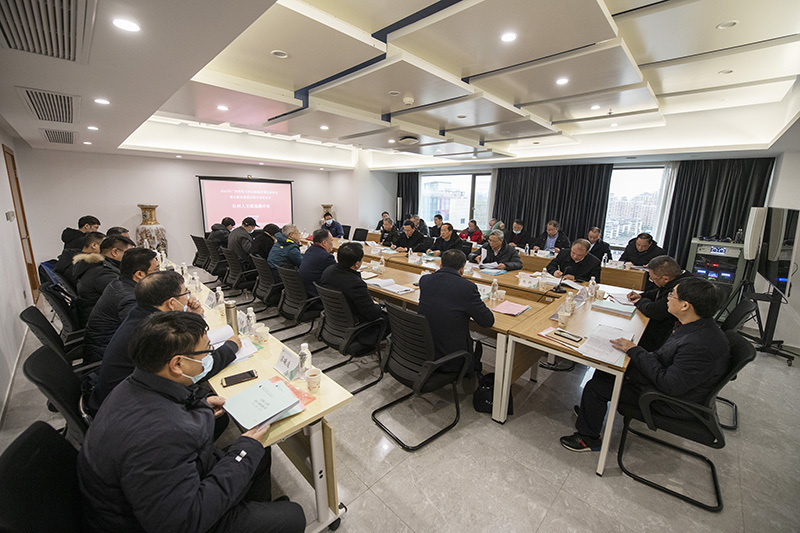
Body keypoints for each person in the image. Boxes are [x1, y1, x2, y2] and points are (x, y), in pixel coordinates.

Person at [78, 312, 305, 532]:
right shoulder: (161, 436)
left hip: (160, 498)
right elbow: (184, 522)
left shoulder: (135, 383)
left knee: (258, 453)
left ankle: (251, 511)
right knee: (292, 516)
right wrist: (242, 452)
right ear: (177, 364)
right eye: (206, 352)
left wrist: (201, 406)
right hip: (162, 522)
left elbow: (169, 409)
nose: (208, 358)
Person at [561, 277, 730, 452]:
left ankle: (589, 438)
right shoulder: (697, 327)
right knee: (606, 368)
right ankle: (591, 414)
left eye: (672, 295)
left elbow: (669, 384)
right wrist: (636, 352)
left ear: (685, 305)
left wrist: (635, 351)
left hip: (668, 400)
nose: (667, 298)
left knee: (595, 387)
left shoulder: (700, 345)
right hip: (667, 381)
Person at [86, 271, 240, 417]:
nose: (189, 297)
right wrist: (230, 347)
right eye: (185, 292)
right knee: (217, 417)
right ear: (172, 303)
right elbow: (191, 370)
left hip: (119, 396)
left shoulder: (143, 316)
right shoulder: (154, 333)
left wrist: (193, 317)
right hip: (130, 409)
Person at [418, 249, 494, 373]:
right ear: (462, 269)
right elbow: (487, 321)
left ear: (440, 265)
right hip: (452, 356)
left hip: (425, 347)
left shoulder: (425, 280)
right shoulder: (467, 287)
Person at [82, 248, 159, 363]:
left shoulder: (120, 282)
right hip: (107, 358)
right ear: (139, 274)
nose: (160, 274)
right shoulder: (129, 298)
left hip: (102, 347)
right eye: (156, 269)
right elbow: (148, 334)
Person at [320, 242, 388, 345]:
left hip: (333, 322)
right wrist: (379, 306)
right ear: (357, 264)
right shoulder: (356, 284)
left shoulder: (327, 271)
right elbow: (372, 314)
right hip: (357, 328)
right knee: (391, 318)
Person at [627, 255, 695, 351]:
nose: (652, 281)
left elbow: (653, 311)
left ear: (666, 278)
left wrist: (639, 301)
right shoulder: (678, 276)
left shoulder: (681, 289)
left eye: (653, 279)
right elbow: (660, 291)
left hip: (664, 334)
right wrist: (642, 296)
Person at [75, 235, 136, 324]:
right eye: (130, 254)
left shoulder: (101, 266)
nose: (133, 258)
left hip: (96, 316)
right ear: (115, 252)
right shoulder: (103, 273)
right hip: (103, 323)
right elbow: (126, 295)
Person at [299, 228, 336, 298]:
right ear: (324, 243)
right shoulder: (326, 257)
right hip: (316, 293)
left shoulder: (309, 250)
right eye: (331, 241)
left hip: (305, 289)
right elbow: (337, 275)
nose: (332, 243)